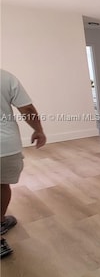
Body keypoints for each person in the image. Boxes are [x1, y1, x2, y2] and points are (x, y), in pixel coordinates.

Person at [1, 69, 46, 258]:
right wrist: (38, 130)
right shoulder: (4, 76)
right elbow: (26, 109)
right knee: (2, 185)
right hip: (4, 146)